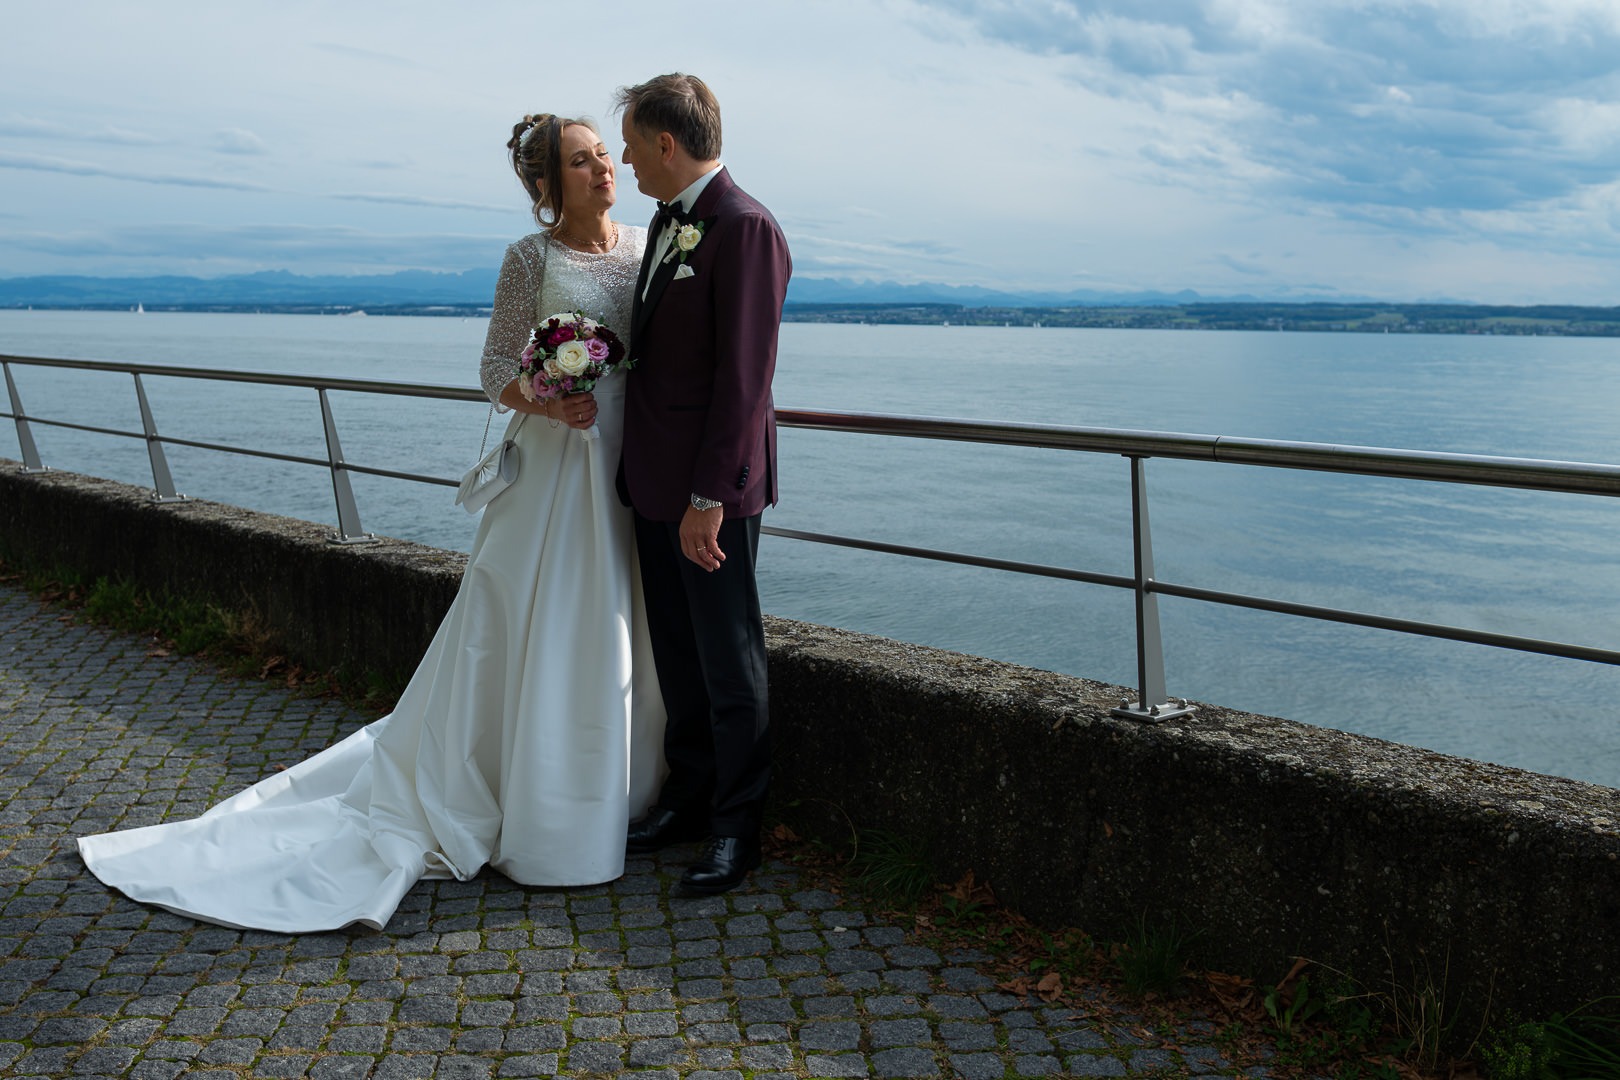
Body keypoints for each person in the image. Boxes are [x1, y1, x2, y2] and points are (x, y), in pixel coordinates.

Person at [74, 114, 665, 933]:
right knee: (541, 620)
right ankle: (536, 808)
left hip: (628, 462)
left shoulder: (648, 245)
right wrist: (544, 393)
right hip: (557, 469)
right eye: (581, 159)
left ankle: (621, 793)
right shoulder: (528, 260)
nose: (603, 166)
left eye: (604, 152)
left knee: (616, 622)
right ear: (547, 185)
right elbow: (495, 366)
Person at [614, 74, 792, 896]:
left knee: (730, 660)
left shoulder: (745, 227)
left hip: (707, 495)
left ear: (664, 143)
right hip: (653, 481)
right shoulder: (664, 221)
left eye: (628, 143)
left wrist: (710, 497)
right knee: (678, 657)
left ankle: (736, 831)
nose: (623, 161)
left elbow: (745, 381)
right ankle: (686, 799)